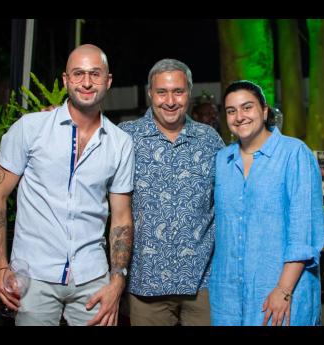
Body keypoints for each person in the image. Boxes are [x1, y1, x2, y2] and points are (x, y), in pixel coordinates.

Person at [0, 44, 135, 326]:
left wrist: (117, 281)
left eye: (95, 74)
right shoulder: (29, 129)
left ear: (108, 81)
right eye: (78, 74)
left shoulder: (120, 143)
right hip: (33, 277)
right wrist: (0, 266)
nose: (87, 82)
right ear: (66, 80)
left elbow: (122, 217)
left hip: (93, 278)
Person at [209, 80, 324, 326]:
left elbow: (303, 233)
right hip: (228, 299)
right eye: (231, 111)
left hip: (280, 295)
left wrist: (283, 291)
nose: (239, 116)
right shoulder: (222, 161)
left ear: (264, 111)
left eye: (247, 107)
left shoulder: (295, 154)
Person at [118, 58, 225, 326]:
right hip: (146, 284)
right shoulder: (125, 138)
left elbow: (230, 202)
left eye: (178, 91)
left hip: (202, 282)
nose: (170, 100)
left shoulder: (209, 139)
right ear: (150, 94)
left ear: (189, 92)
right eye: (162, 92)